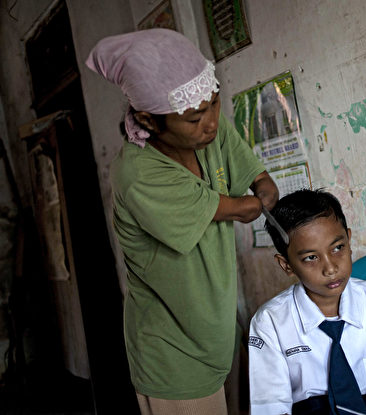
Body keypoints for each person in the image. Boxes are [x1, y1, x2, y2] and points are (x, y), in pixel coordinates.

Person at [85, 29, 278, 415]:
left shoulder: (206, 125)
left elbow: (257, 180)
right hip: (173, 353)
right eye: (193, 118)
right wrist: (257, 203)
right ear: (148, 120)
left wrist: (265, 187)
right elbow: (237, 208)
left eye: (215, 104)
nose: (209, 122)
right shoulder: (138, 174)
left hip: (219, 334)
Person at [248, 189, 366, 415]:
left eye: (338, 248)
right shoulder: (270, 323)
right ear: (286, 265)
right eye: (311, 257)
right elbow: (273, 409)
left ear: (349, 240)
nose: (330, 268)